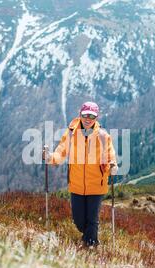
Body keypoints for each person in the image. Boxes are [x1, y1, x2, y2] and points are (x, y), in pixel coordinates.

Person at [43, 101, 118, 248]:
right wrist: (50, 158)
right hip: (76, 184)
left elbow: (110, 156)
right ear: (80, 115)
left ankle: (91, 246)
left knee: (92, 219)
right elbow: (61, 152)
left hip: (97, 184)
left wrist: (112, 166)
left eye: (92, 116)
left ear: (96, 117)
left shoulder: (103, 136)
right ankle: (88, 238)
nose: (88, 119)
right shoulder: (71, 134)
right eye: (85, 115)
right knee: (78, 221)